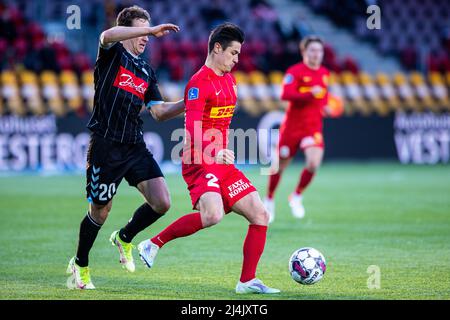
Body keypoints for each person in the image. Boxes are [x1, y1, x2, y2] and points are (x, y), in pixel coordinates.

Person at [137, 23, 280, 294]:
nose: (237, 60)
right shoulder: (198, 83)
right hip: (199, 160)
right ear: (217, 48)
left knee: (260, 214)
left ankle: (247, 281)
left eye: (239, 54)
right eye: (234, 53)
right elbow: (191, 131)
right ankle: (153, 243)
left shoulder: (230, 80)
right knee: (212, 215)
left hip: (222, 162)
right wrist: (215, 151)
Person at [66, 5, 183, 290]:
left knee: (162, 202)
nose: (146, 38)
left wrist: (191, 102)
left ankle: (125, 237)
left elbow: (159, 112)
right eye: (141, 30)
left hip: (134, 145)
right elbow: (107, 34)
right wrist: (150, 28)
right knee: (100, 212)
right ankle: (80, 264)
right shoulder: (112, 53)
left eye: (148, 31)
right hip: (106, 145)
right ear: (130, 30)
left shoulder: (146, 70)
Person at [264, 36, 330, 223]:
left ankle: (296, 195)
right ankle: (269, 199)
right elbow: (285, 94)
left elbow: (323, 98)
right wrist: (309, 93)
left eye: (319, 51)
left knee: (313, 163)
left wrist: (326, 106)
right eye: (313, 50)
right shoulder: (295, 71)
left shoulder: (325, 73)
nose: (317, 54)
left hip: (312, 127)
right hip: (292, 127)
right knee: (279, 167)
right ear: (304, 52)